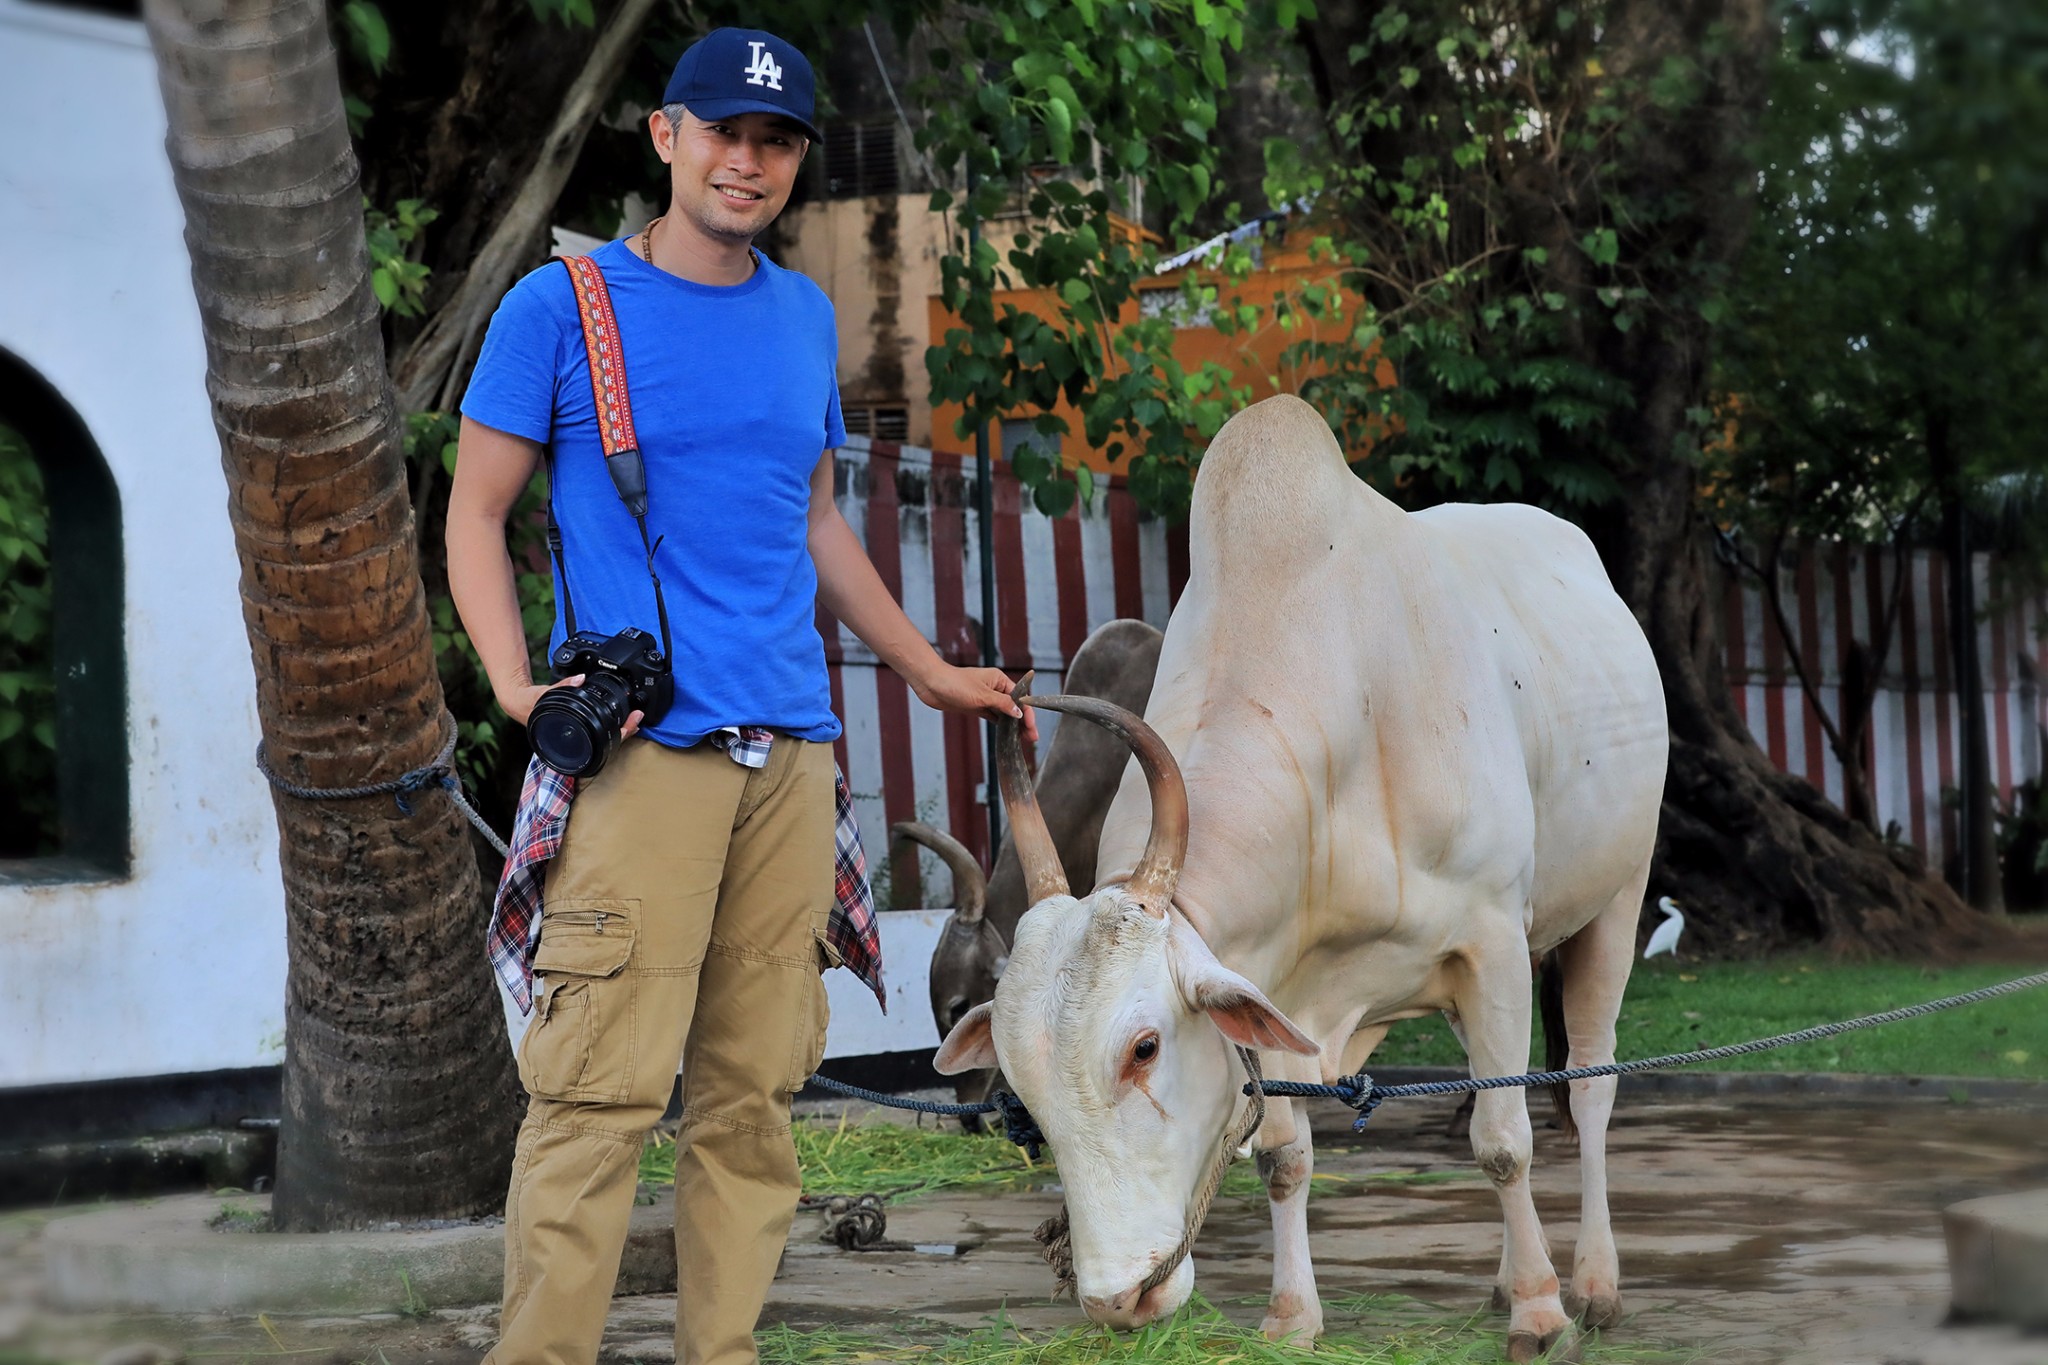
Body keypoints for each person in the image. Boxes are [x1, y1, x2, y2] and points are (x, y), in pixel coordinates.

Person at [445, 27, 1030, 1365]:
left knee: (753, 1100)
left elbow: (815, 518)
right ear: (666, 137)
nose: (746, 160)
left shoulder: (802, 314)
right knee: (597, 1096)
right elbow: (475, 514)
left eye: (775, 143)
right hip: (648, 757)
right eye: (723, 132)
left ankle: (725, 1353)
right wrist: (516, 687)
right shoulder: (564, 309)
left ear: (796, 165)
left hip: (795, 758)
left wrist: (927, 666)